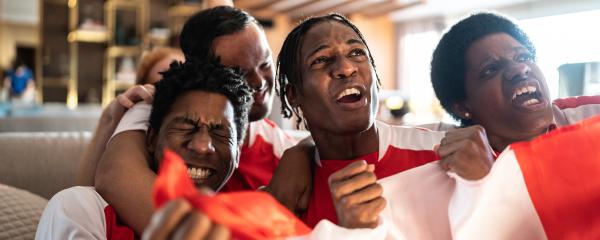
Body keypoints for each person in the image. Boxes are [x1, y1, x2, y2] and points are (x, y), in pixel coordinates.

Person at [93, 6, 310, 234]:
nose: (258, 81)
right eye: (240, 72)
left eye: (265, 63)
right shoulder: (158, 110)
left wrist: (305, 147)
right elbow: (113, 177)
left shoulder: (279, 148)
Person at [36, 60, 252, 240]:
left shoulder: (255, 223)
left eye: (220, 132)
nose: (203, 145)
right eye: (186, 126)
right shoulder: (81, 210)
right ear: (151, 139)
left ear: (238, 153)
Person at [76, 46, 184, 186]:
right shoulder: (140, 126)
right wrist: (109, 118)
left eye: (181, 78)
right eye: (161, 85)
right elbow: (85, 187)